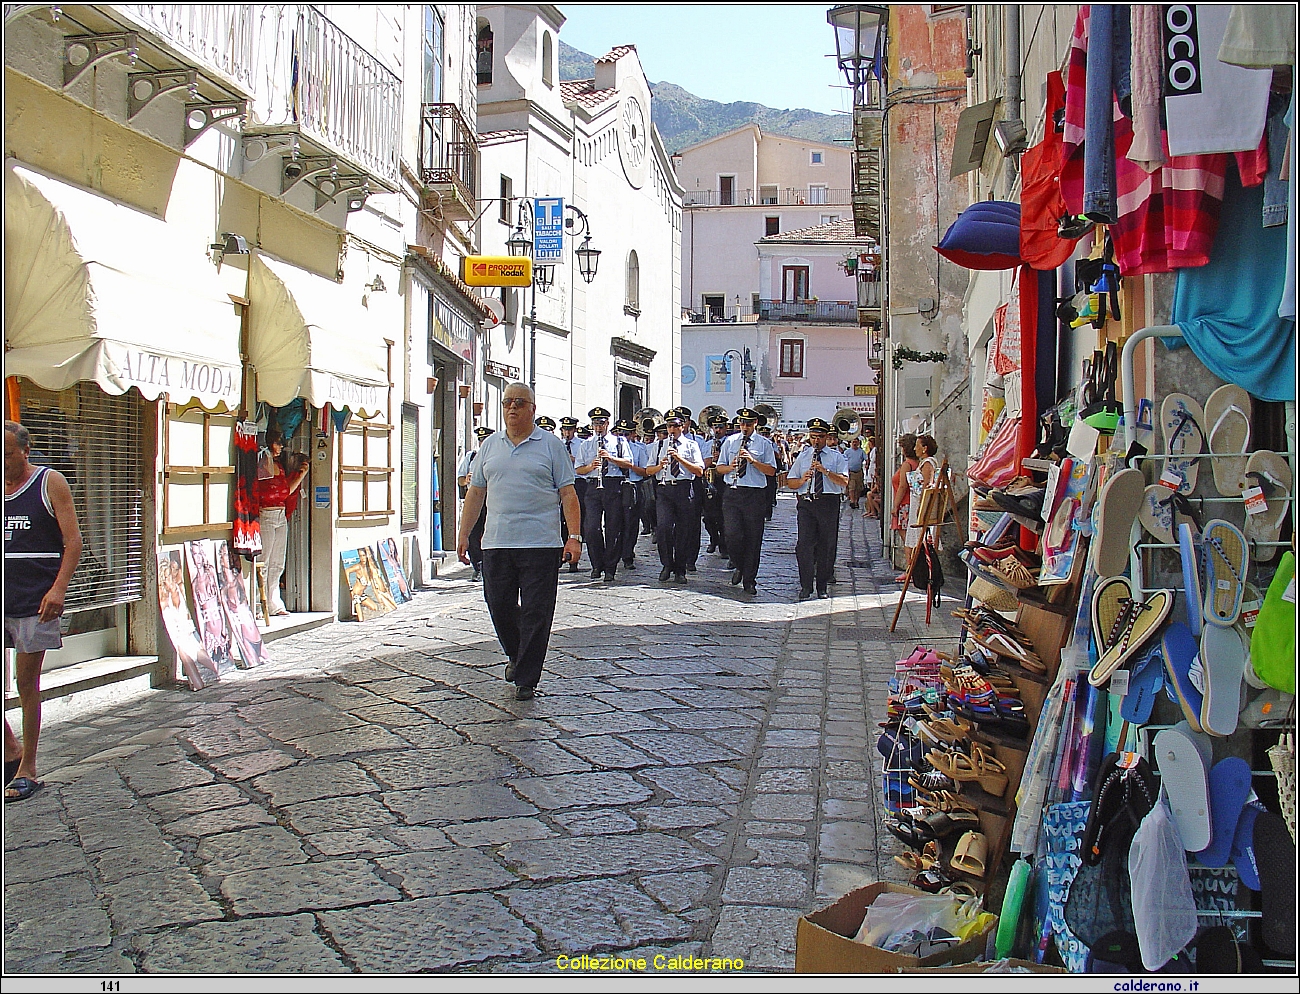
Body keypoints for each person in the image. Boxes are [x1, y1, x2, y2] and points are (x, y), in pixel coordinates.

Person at [458, 383, 580, 700]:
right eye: (508, 402)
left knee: (537, 611)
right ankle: (516, 655)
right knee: (499, 604)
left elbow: (568, 494)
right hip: (497, 540)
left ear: (532, 409)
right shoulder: (489, 447)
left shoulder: (551, 446)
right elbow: (475, 494)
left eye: (520, 403)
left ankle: (526, 678)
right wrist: (463, 533)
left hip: (541, 542)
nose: (512, 408)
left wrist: (575, 538)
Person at [5, 421, 83, 802]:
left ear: (25, 452)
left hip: (34, 599)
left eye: (7, 455)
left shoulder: (49, 483)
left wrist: (58, 589)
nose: (2, 462)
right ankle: (11, 747)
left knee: (25, 683)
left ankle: (28, 767)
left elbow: (73, 542)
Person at [715, 409, 777, 595]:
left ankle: (749, 579)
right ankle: (740, 565)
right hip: (733, 492)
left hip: (754, 495)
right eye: (742, 423)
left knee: (753, 538)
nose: (745, 427)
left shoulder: (764, 444)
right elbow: (719, 468)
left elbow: (772, 471)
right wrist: (731, 466)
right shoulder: (730, 441)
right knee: (732, 535)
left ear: (755, 423)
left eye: (748, 424)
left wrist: (753, 461)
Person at [786, 418, 849, 601]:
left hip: (828, 502)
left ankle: (822, 586)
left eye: (820, 437)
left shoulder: (836, 457)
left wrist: (825, 471)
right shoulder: (804, 456)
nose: (816, 441)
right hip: (807, 501)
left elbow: (844, 482)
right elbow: (791, 481)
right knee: (803, 545)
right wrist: (802, 480)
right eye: (813, 437)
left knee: (826, 546)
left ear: (826, 437)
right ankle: (806, 586)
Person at [574, 407, 635, 581]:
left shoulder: (619, 442)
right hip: (593, 486)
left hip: (613, 484)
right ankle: (596, 564)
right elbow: (579, 469)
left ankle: (610, 567)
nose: (598, 427)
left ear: (607, 424)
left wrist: (610, 458)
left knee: (613, 528)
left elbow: (628, 463)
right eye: (595, 424)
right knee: (591, 527)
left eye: (601, 423)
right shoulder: (586, 444)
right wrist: (591, 467)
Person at [256, 427, 310, 616]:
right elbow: (273, 486)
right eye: (278, 443)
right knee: (264, 559)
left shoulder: (278, 465)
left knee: (278, 561)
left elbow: (285, 490)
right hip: (267, 514)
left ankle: (274, 602)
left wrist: (300, 475)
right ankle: (259, 601)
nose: (280, 447)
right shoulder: (263, 463)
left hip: (279, 514)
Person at [645, 413, 704, 583]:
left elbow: (699, 471)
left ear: (682, 426)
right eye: (669, 426)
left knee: (683, 530)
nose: (672, 430)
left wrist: (679, 458)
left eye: (675, 426)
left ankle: (680, 569)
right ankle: (666, 564)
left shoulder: (691, 445)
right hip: (665, 489)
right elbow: (648, 471)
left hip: (684, 488)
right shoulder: (658, 446)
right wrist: (659, 466)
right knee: (663, 527)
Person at [457, 426, 496, 581]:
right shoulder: (472, 456)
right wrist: (466, 478)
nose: (482, 443)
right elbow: (460, 479)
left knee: (490, 532)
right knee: (473, 534)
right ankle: (478, 565)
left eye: (485, 440)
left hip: (491, 499)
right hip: (474, 499)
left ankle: (490, 565)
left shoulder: (497, 456)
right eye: (480, 440)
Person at [616, 418, 647, 570]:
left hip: (633, 484)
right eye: (620, 433)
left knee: (631, 522)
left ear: (633, 434)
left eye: (627, 434)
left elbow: (645, 471)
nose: (623, 437)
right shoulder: (612, 447)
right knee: (616, 520)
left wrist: (630, 465)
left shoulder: (639, 449)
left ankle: (628, 554)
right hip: (616, 485)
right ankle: (616, 551)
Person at [905, 434, 942, 557]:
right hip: (917, 502)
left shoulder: (928, 463)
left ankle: (915, 569)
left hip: (920, 504)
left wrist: (922, 506)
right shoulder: (925, 463)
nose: (915, 449)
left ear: (925, 448)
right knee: (915, 537)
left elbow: (927, 485)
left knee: (919, 538)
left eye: (917, 446)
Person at [701, 414, 731, 557]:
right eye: (715, 427)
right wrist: (710, 460)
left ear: (726, 428)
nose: (717, 430)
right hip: (710, 480)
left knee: (724, 515)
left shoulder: (730, 443)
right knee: (708, 516)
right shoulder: (707, 444)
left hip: (724, 481)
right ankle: (714, 538)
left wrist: (721, 458)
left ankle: (724, 545)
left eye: (720, 427)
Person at [558, 417, 583, 572]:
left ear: (575, 430)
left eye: (570, 429)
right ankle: (560, 555)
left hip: (577, 482)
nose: (567, 432)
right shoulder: (557, 445)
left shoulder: (581, 444)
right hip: (560, 484)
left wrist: (573, 459)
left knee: (573, 520)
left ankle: (574, 560)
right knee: (559, 521)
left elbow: (582, 463)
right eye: (565, 430)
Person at [891, 432, 919, 570]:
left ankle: (910, 569)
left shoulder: (907, 464)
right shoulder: (918, 463)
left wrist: (895, 506)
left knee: (908, 540)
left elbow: (903, 486)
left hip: (904, 505)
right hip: (911, 504)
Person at [845, 436, 867, 509]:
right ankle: (852, 501)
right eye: (853, 442)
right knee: (852, 487)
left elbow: (866, 459)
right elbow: (843, 461)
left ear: (858, 443)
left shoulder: (861, 451)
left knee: (858, 488)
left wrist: (867, 465)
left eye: (856, 442)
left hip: (859, 472)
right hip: (851, 472)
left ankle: (856, 501)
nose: (854, 443)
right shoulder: (847, 452)